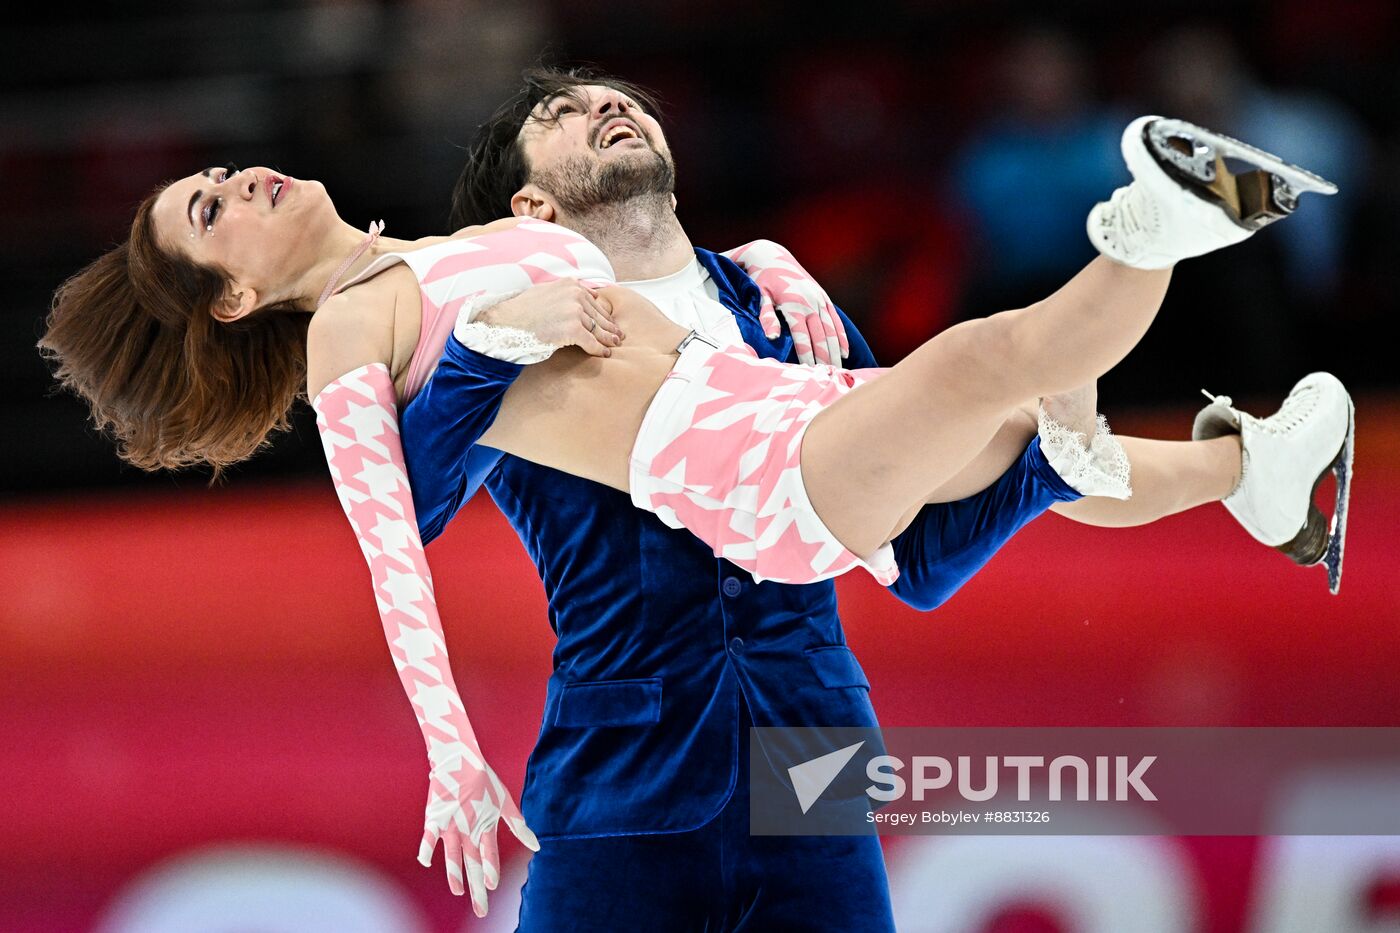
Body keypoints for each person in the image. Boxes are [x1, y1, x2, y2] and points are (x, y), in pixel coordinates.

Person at [38, 73, 1348, 928]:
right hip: (636, 746)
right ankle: (1155, 246)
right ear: (534, 197)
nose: (611, 109)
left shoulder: (759, 283)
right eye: (209, 214)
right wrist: (449, 748)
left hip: (811, 718)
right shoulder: (419, 310)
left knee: (1028, 434)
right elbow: (407, 515)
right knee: (997, 387)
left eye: (624, 103)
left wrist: (992, 479)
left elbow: (911, 545)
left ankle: (1261, 469)